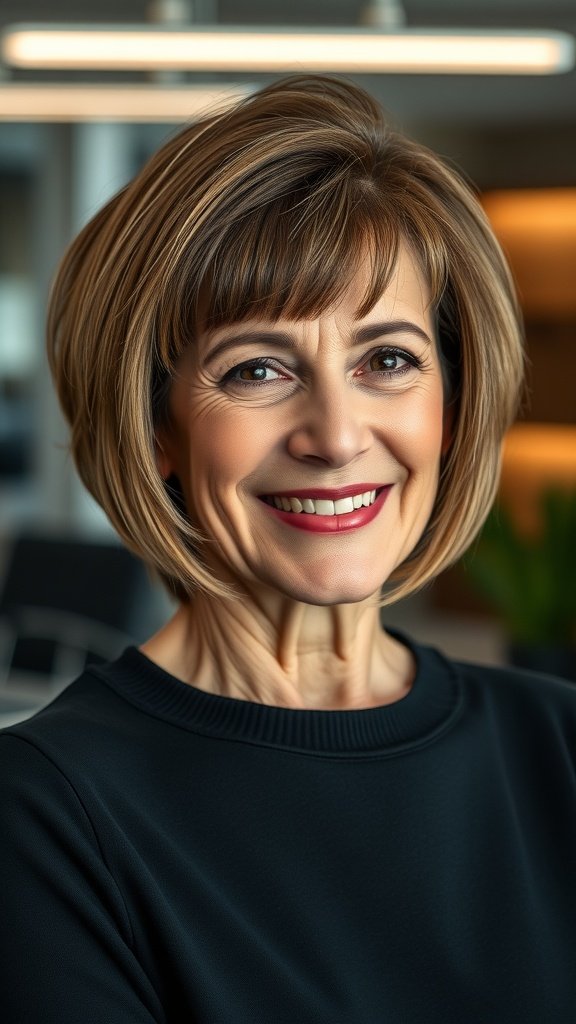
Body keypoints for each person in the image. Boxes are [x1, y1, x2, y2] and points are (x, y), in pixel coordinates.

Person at [0, 75, 574, 1024]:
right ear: (156, 430)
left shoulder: (559, 748)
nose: (337, 434)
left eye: (386, 359)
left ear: (452, 402)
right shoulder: (44, 819)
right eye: (257, 369)